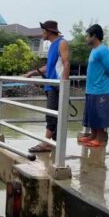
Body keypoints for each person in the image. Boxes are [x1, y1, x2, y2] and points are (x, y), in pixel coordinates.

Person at [24, 20, 70, 152]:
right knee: (53, 114)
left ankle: (45, 143)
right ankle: (50, 142)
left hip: (57, 86)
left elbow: (66, 63)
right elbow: (48, 66)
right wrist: (33, 73)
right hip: (50, 85)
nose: (42, 33)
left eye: (43, 30)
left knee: (50, 115)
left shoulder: (61, 43)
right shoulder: (52, 46)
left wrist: (63, 84)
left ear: (49, 31)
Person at [78, 24, 109, 146]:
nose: (87, 38)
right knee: (92, 114)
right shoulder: (93, 50)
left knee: (100, 115)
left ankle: (100, 138)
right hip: (91, 89)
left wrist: (102, 80)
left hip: (101, 89)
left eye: (88, 35)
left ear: (94, 36)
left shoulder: (103, 50)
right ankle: (93, 135)